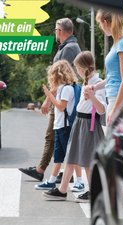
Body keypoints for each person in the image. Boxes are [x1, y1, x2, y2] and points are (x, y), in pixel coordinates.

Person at [19, 18, 81, 183]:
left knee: (54, 136)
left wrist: (47, 100)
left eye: (55, 30)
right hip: (62, 97)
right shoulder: (69, 47)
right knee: (58, 137)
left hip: (62, 99)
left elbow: (61, 78)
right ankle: (60, 171)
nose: (55, 33)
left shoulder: (69, 49)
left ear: (60, 31)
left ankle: (44, 171)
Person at [43, 51, 106, 202]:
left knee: (86, 159)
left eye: (77, 67)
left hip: (88, 124)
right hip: (79, 122)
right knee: (72, 156)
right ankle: (63, 190)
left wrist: (91, 95)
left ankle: (93, 192)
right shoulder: (87, 81)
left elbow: (102, 109)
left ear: (84, 68)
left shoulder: (97, 83)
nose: (76, 71)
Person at [35, 60, 83, 192]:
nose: (51, 79)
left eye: (52, 75)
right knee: (58, 156)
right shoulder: (63, 88)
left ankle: (80, 181)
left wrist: (50, 96)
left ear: (58, 75)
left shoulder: (67, 88)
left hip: (66, 127)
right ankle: (51, 181)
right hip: (59, 126)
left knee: (71, 155)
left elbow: (62, 107)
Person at [86, 10, 123, 126]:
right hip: (113, 97)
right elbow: (113, 77)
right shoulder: (116, 44)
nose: (101, 28)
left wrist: (115, 109)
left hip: (116, 99)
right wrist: (96, 87)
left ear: (106, 22)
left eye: (100, 24)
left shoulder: (121, 44)